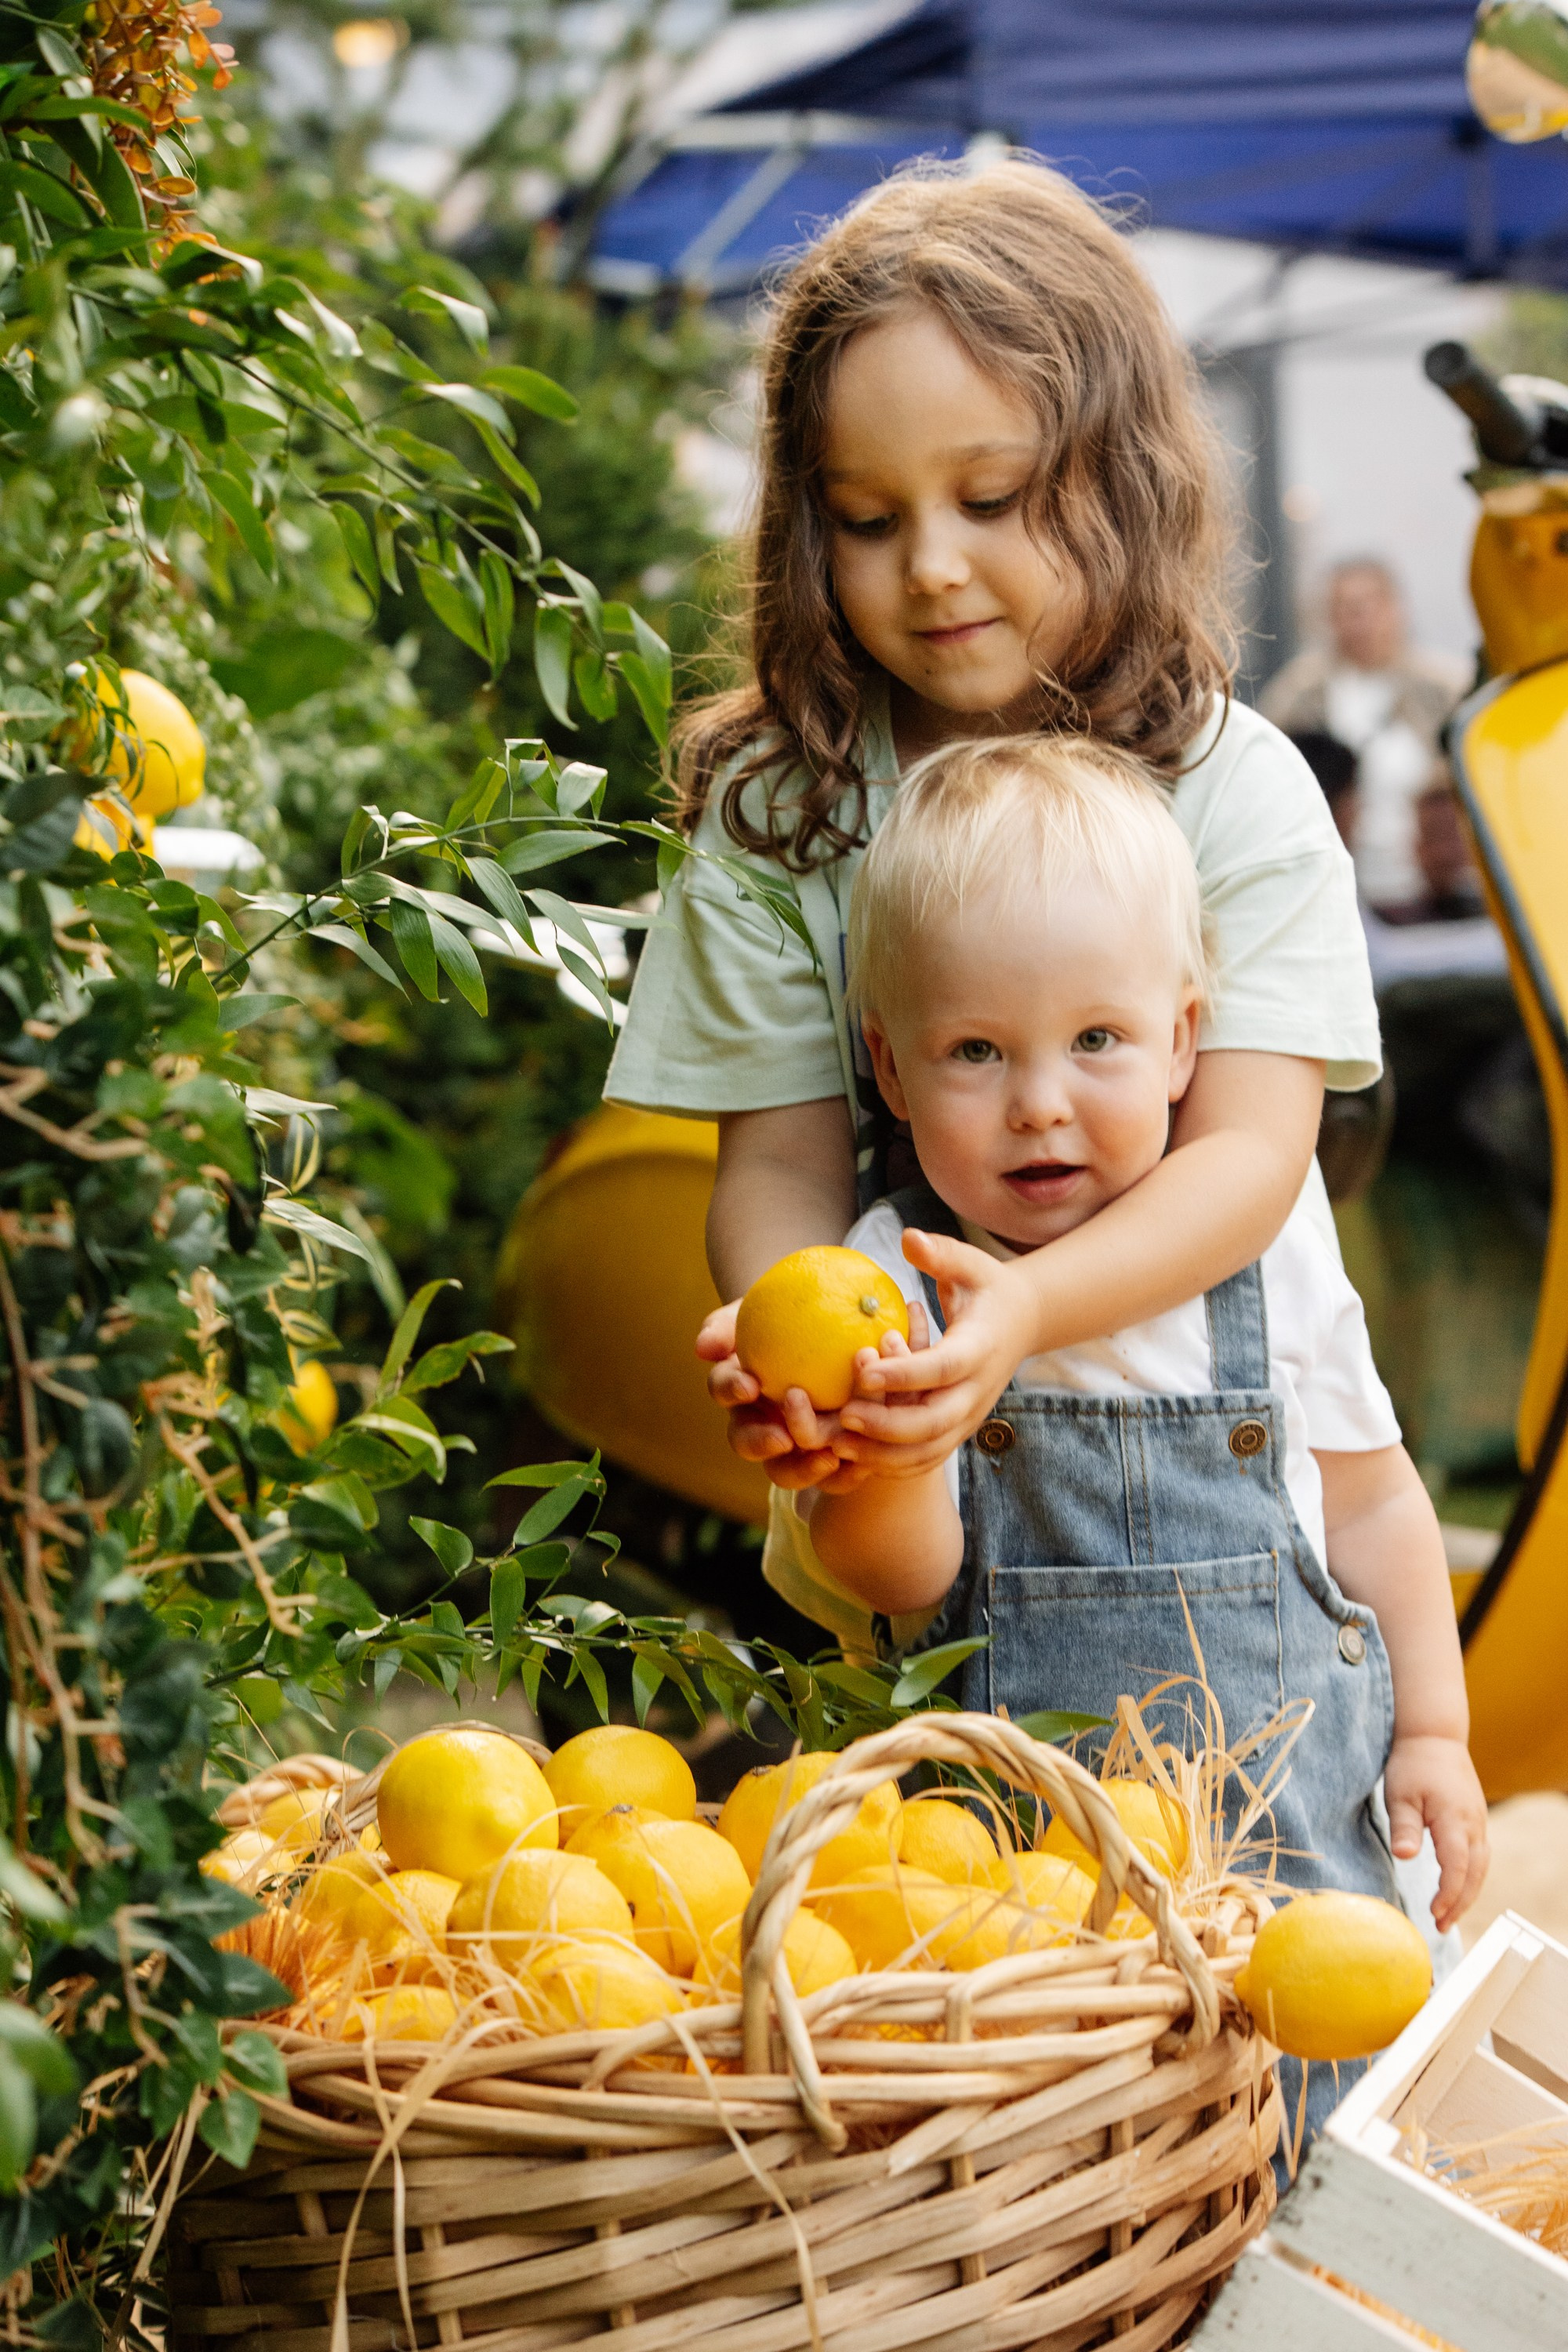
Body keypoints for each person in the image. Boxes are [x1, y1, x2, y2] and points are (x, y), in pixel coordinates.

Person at [604, 157, 1381, 1514]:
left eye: (992, 498)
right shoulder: (778, 820)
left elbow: (1252, 1156)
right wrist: (816, 1352)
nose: (932, 566)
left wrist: (1020, 1310)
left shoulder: (1235, 789)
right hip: (913, 1471)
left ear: (1123, 481)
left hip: (1211, 1455)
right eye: (868, 519)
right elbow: (778, 1169)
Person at [802, 736, 1487, 2140]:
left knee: (1330, 2176)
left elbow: (1369, 1504)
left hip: (1298, 1893)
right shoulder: (891, 1280)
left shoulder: (1261, 1239)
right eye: (977, 1051)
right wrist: (895, 1440)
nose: (1041, 1101)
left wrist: (1436, 1726)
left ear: (1186, 1036)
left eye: (1096, 1042)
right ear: (890, 1065)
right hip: (1024, 1928)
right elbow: (900, 1584)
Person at [1262, 561, 1468, 913]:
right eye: (1343, 609)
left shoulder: (1446, 691)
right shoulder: (1297, 695)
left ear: (1395, 609)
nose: (1358, 622)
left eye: (1366, 607)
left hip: (1432, 897)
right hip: (1338, 899)